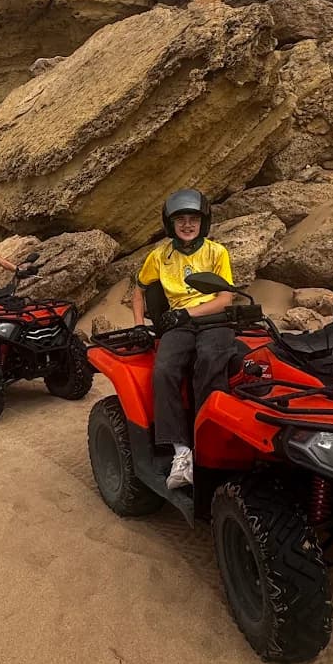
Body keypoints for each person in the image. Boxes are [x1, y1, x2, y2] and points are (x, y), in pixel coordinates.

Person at [131, 189, 235, 490]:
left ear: (204, 222)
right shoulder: (159, 256)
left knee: (210, 362)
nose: (187, 225)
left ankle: (209, 440)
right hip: (178, 323)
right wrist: (139, 324)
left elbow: (226, 297)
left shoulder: (217, 252)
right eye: (180, 220)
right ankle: (181, 451)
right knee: (163, 371)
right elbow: (138, 290)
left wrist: (190, 313)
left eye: (193, 219)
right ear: (170, 224)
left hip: (212, 319)